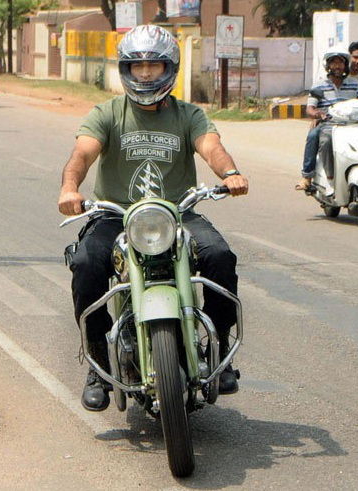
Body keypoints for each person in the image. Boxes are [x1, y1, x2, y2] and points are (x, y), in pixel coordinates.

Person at [58, 24, 249, 412]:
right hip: (117, 217)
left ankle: (220, 347)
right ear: (126, 70)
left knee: (219, 257)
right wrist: (70, 188)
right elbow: (82, 154)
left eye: (155, 66)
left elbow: (211, 147)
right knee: (87, 264)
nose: (146, 74)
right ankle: (97, 363)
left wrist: (229, 174)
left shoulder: (188, 114)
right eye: (138, 66)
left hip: (177, 214)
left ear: (170, 68)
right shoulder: (108, 113)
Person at [295, 51, 358, 191]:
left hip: (351, 125)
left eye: (340, 62)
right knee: (315, 136)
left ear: (345, 66)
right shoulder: (319, 85)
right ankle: (307, 176)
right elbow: (309, 108)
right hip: (328, 124)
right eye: (334, 62)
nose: (337, 66)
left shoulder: (353, 84)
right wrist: (317, 113)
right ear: (328, 65)